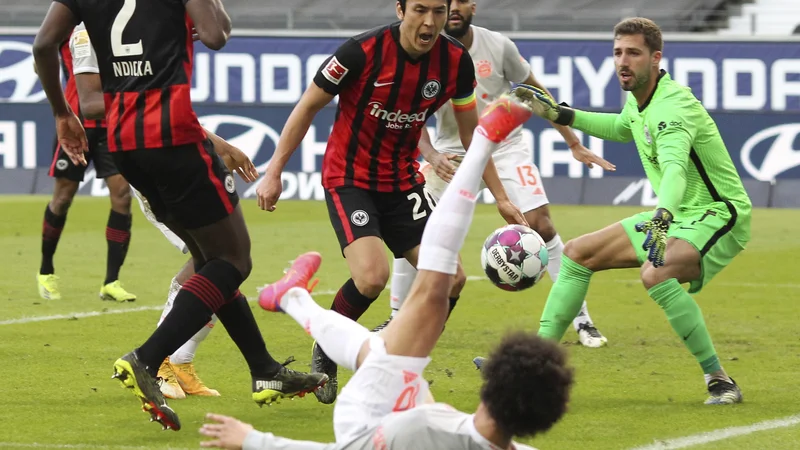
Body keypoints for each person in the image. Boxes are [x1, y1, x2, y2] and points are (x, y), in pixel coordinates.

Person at [199, 88, 574, 450]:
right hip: (364, 181)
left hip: (365, 419)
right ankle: (294, 298)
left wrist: (253, 441)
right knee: (421, 299)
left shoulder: (420, 429)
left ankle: (295, 298)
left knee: (423, 299)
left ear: (489, 388)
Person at [33, 0, 328, 431]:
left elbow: (43, 44)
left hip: (124, 145)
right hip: (173, 139)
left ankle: (264, 368)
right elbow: (216, 34)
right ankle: (149, 359)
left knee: (209, 260)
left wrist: (62, 113)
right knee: (233, 260)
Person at [255, 0, 526, 405]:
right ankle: (328, 348)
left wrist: (502, 196)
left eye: (438, 11)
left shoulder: (455, 61)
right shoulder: (358, 53)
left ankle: (400, 363)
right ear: (400, 10)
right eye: (420, 9)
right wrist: (275, 170)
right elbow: (308, 106)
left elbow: (474, 137)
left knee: (451, 279)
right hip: (350, 179)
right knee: (371, 277)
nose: (429, 21)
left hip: (402, 183)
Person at [523, 17, 750, 405]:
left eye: (633, 53)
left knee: (656, 274)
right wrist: (562, 115)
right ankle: (534, 372)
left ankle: (720, 380)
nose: (622, 62)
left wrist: (663, 216)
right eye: (617, 53)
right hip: (676, 214)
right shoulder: (639, 98)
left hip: (718, 213)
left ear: (656, 58)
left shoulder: (672, 107)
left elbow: (676, 168)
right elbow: (622, 127)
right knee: (577, 254)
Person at [378, 0, 616, 349]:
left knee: (541, 224)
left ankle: (581, 320)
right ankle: (397, 317)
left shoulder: (498, 46)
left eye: (460, 2)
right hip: (451, 153)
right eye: (449, 3)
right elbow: (410, 114)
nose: (454, 8)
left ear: (472, 6)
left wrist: (572, 141)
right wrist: (429, 153)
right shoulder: (424, 51)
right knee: (414, 229)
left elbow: (535, 94)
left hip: (504, 148)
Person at [36, 22, 136, 303]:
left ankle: (111, 281)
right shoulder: (68, 21)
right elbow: (40, 58)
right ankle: (46, 271)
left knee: (122, 195)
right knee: (64, 196)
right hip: (76, 120)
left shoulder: (120, 20)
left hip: (111, 120)